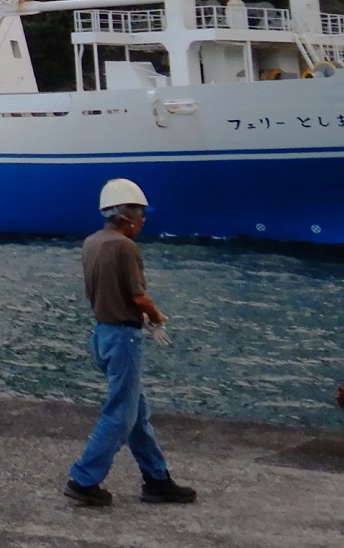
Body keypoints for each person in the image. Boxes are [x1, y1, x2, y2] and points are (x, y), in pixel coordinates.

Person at [64, 178, 197, 508]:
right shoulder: (125, 247)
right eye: (140, 214)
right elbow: (138, 296)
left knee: (137, 414)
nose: (144, 220)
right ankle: (83, 480)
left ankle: (157, 479)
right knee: (121, 414)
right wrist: (157, 316)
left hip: (102, 334)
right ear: (127, 215)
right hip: (124, 337)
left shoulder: (92, 242)